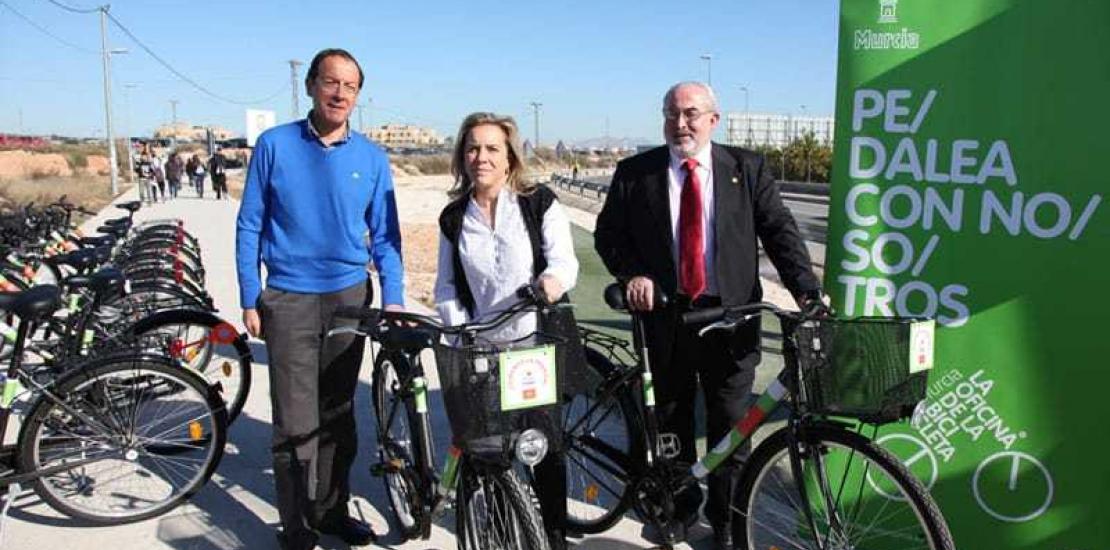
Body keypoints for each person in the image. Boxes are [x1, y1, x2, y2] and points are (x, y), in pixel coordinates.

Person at [594, 82, 822, 550]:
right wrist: (634, 273)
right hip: (667, 321)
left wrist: (808, 292)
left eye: (691, 113)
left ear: (713, 120)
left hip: (732, 320)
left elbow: (780, 231)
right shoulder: (635, 174)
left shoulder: (746, 168)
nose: (681, 123)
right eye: (672, 114)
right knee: (673, 426)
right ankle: (677, 512)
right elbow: (608, 235)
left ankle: (727, 522)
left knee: (731, 429)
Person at [236, 48, 405, 550]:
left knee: (337, 413)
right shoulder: (274, 144)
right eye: (330, 82)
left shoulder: (372, 158)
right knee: (294, 421)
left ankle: (330, 513)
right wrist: (250, 293)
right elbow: (249, 223)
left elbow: (387, 236)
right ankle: (298, 530)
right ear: (311, 85)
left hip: (350, 297)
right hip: (288, 298)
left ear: (357, 96)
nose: (339, 93)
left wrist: (393, 298)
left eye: (350, 86)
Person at [433, 112, 578, 550]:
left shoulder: (538, 203)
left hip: (532, 345)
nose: (482, 157)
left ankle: (552, 536)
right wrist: (460, 329)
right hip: (480, 349)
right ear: (462, 155)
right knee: (485, 448)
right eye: (473, 148)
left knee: (543, 448)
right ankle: (493, 530)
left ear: (510, 156)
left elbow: (564, 262)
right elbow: (445, 286)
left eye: (492, 148)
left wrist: (550, 284)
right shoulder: (454, 218)